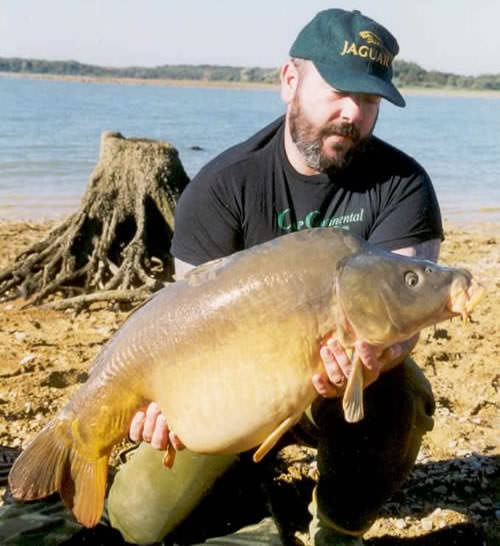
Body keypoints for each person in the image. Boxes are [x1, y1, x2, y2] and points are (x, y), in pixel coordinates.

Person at [0, 8, 442, 546]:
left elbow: (407, 304)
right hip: (234, 392)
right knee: (140, 520)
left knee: (399, 390)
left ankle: (338, 527)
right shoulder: (222, 186)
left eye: (369, 99)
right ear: (289, 81)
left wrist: (378, 359)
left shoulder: (402, 184)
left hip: (345, 387)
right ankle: (237, 476)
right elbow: (183, 321)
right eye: (337, 92)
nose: (352, 112)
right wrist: (161, 410)